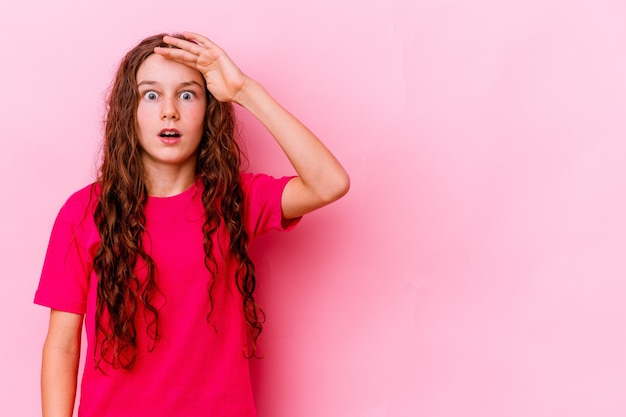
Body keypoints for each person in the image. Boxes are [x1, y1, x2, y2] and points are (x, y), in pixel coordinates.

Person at [34, 31, 349, 417]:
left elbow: (329, 183)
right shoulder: (83, 211)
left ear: (209, 109)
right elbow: (63, 345)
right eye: (151, 95)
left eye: (187, 95)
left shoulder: (237, 200)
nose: (170, 111)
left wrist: (244, 90)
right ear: (128, 111)